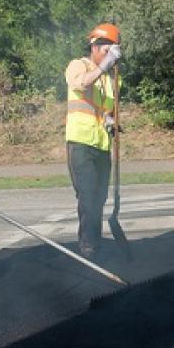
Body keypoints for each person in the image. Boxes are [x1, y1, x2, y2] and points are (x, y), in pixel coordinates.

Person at [64, 23, 121, 259]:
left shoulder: (112, 79)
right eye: (108, 50)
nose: (111, 56)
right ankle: (88, 246)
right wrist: (104, 67)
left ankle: (94, 242)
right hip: (80, 143)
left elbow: (107, 108)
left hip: (102, 144)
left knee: (99, 197)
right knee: (87, 195)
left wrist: (110, 120)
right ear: (96, 47)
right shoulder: (79, 65)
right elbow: (80, 83)